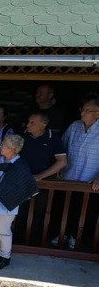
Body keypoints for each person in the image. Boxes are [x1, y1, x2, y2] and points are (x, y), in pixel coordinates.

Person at [0, 134, 37, 270]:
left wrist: (2, 185)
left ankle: (4, 257)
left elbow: (23, 187)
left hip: (6, 204)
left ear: (13, 149)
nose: (1, 147)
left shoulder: (20, 165)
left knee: (3, 231)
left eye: (4, 145)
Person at [56, 95, 99, 249]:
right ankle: (63, 235)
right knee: (65, 210)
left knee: (86, 213)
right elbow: (61, 147)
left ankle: (78, 240)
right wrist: (59, 167)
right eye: (82, 109)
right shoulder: (75, 126)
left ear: (97, 113)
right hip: (69, 178)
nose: (82, 113)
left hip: (89, 182)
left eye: (87, 110)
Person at [17, 112, 67, 244]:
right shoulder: (21, 135)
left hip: (43, 184)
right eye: (28, 121)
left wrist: (41, 176)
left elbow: (62, 161)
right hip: (21, 182)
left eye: (32, 123)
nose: (28, 125)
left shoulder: (53, 138)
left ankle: (34, 243)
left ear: (43, 125)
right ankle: (16, 242)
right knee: (19, 211)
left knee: (39, 213)